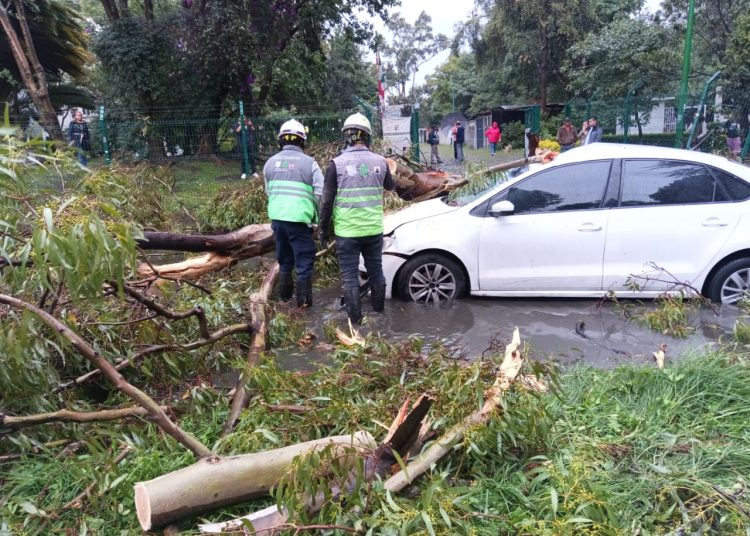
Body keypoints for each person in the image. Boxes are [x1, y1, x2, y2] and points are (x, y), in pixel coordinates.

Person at [318, 112, 395, 324]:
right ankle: (380, 316)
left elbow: (326, 202)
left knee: (350, 276)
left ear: (347, 137)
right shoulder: (381, 161)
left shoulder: (336, 164)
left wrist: (323, 229)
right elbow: (391, 186)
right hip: (373, 229)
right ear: (367, 137)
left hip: (347, 232)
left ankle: (356, 323)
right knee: (376, 271)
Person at [263, 119, 324, 307]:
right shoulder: (310, 164)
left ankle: (284, 301)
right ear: (302, 141)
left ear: (281, 141)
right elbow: (320, 195)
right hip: (300, 222)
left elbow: (268, 192)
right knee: (304, 263)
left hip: (278, 222)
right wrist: (317, 222)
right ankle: (303, 307)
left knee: (285, 261)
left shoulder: (270, 163)